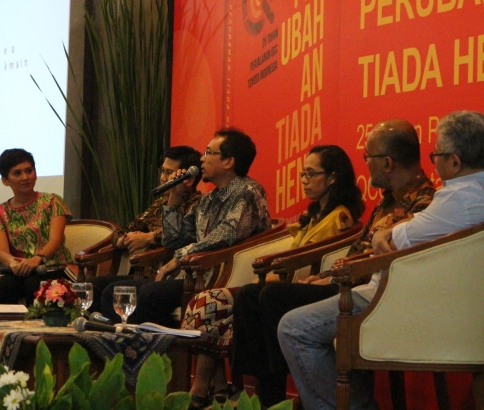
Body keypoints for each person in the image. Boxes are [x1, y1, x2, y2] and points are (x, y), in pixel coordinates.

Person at [277, 111, 484, 410]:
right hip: (452, 309)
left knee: (293, 328)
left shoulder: (460, 197)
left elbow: (387, 241)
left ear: (454, 161)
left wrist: (384, 236)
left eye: (436, 155)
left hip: (403, 304)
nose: (433, 163)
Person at [231, 119, 436, 408]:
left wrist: (333, 278)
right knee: (250, 296)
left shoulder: (424, 203)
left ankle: (291, 400)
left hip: (370, 293)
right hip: (346, 282)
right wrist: (325, 275)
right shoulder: (389, 200)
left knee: (273, 295)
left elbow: (389, 260)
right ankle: (269, 400)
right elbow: (358, 249)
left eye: (369, 158)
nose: (366, 165)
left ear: (388, 163)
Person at [181, 145, 365, 409]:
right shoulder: (313, 215)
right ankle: (260, 393)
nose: (304, 180)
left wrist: (279, 275)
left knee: (266, 293)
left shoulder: (340, 218)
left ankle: (272, 393)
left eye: (311, 174)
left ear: (333, 177)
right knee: (247, 294)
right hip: (295, 280)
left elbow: (325, 260)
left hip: (318, 285)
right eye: (302, 173)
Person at [100, 128, 271, 325]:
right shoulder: (209, 200)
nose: (202, 160)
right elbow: (173, 239)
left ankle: (156, 351)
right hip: (196, 274)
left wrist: (179, 258)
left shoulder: (248, 191)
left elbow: (226, 235)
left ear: (228, 161)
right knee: (114, 292)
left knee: (149, 294)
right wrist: (175, 195)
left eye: (209, 153)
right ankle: (121, 351)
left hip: (221, 278)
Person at [85, 146, 202, 314]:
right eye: (162, 171)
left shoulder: (198, 204)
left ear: (188, 179)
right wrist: (125, 239)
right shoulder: (158, 204)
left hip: (170, 274)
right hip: (143, 273)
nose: (162, 178)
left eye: (169, 173)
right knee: (92, 287)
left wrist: (149, 237)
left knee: (114, 291)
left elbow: (182, 237)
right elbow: (122, 231)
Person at [0, 148, 73, 304]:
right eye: (17, 173)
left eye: (29, 171)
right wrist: (13, 262)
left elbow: (55, 239)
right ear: (5, 180)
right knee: (6, 285)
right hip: (19, 270)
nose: (25, 177)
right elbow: (1, 252)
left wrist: (36, 259)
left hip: (52, 268)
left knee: (34, 284)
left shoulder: (52, 201)